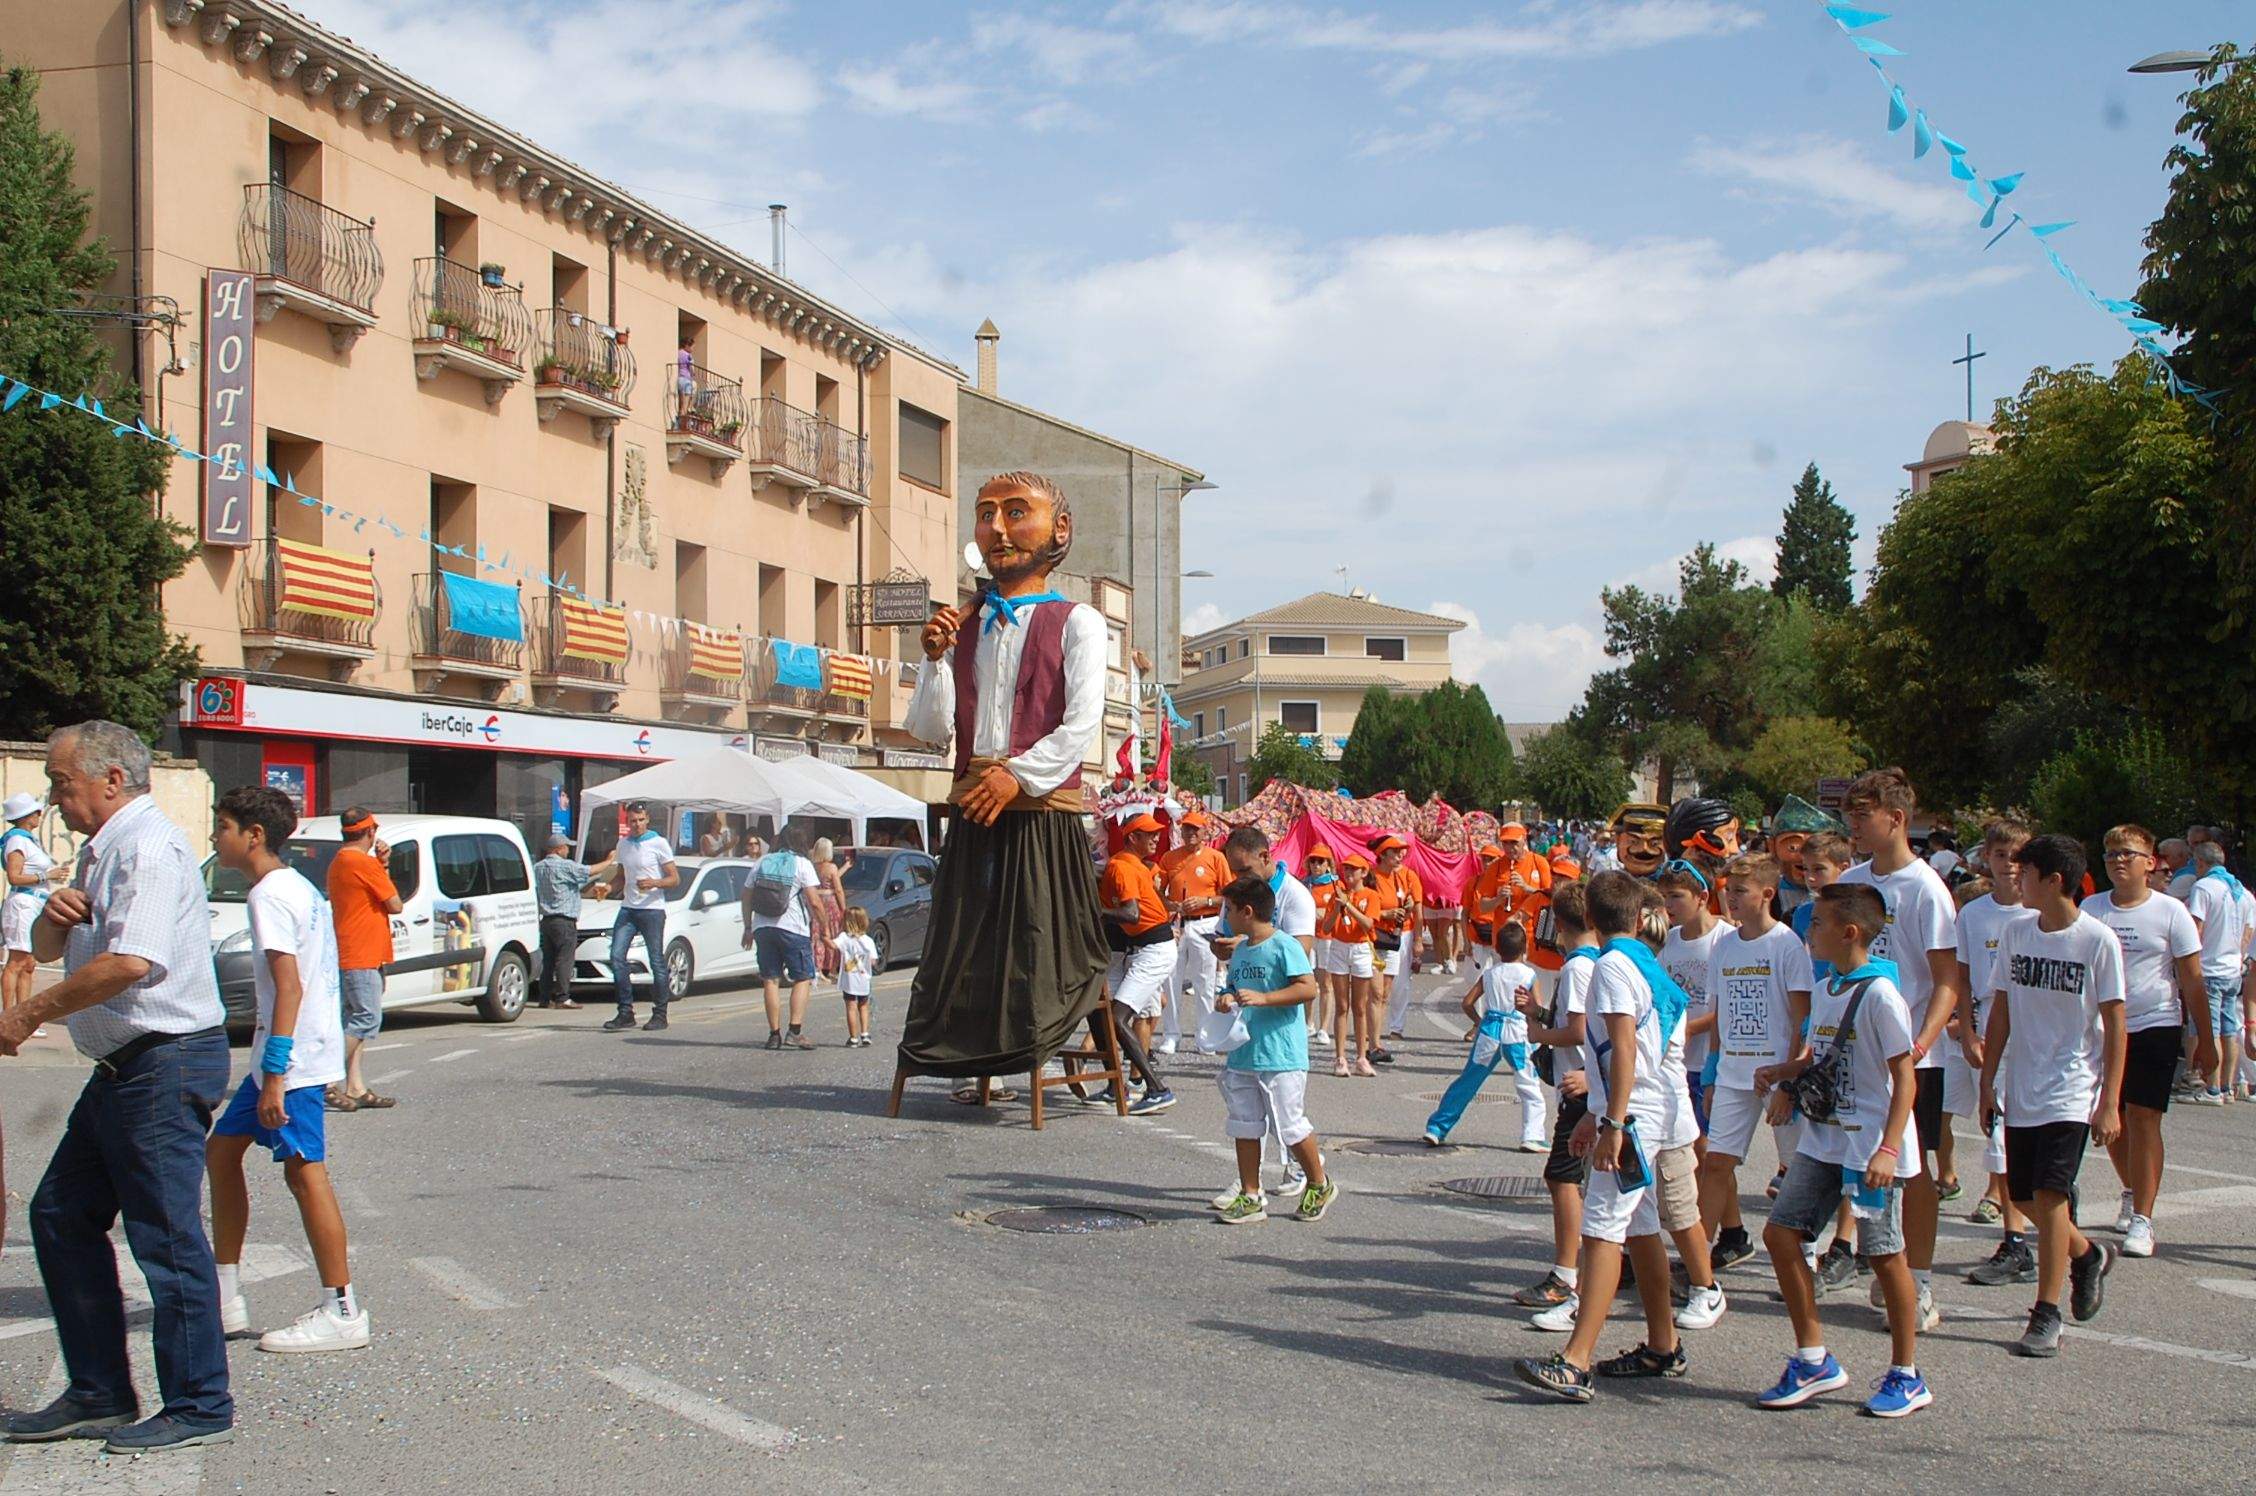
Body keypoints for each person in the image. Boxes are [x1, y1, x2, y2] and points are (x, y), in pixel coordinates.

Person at [0, 721, 232, 1453]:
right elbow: (46, 948)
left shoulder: (148, 849)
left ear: (109, 780)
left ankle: (199, 1404)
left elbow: (133, 962)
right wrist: (54, 916)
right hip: (121, 1068)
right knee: (61, 1215)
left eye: (62, 783)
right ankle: (98, 1391)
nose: (55, 797)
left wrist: (28, 1012)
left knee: (164, 1236)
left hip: (164, 1060)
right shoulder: (100, 853)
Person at [892, 472, 1122, 1109]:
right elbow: (933, 728)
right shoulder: (965, 626)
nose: (996, 529)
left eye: (1016, 513)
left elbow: (1081, 724)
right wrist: (935, 660)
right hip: (975, 805)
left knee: (1042, 941)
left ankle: (1039, 1046)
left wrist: (1017, 774)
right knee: (964, 940)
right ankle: (968, 1056)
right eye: (985, 514)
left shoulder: (1078, 621)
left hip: (1038, 812)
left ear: (1059, 531)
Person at [1516, 871, 1721, 1404]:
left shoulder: (1610, 966)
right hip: (1655, 1108)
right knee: (1644, 1227)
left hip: (1636, 1115)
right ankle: (1662, 1343)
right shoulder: (1649, 963)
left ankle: (1575, 1360)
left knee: (1603, 1228)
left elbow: (1623, 1048)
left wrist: (1612, 1121)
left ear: (1590, 920)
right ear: (1637, 917)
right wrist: (1602, 1110)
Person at [1750, 882, 1931, 1417]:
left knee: (1884, 1256)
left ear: (1850, 932)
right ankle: (1813, 1358)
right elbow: (1821, 1055)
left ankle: (1906, 1373)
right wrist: (1785, 1074)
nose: (1810, 932)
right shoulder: (1829, 988)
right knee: (1781, 1234)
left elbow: (1904, 1077)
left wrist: (1889, 1150)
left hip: (1870, 1147)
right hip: (1825, 1139)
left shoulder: (1879, 995)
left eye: (1819, 924)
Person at [204, 786, 369, 1355]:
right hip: (281, 1058)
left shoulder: (270, 895)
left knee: (305, 1174)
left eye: (222, 826)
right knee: (222, 1152)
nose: (214, 835)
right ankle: (225, 1296)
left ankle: (342, 1309)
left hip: (290, 1063)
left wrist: (275, 1072)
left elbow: (291, 987)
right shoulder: (294, 886)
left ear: (254, 835)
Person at [1978, 833, 2127, 1358]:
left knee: (2049, 1195)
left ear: (2054, 880)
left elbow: (2115, 1023)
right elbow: (2001, 1010)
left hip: (2071, 1087)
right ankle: (2085, 1254)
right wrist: (1987, 1078)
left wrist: (2108, 1100)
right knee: (2020, 1197)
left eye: (2027, 873)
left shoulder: (2096, 940)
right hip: (2022, 1085)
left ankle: (2046, 1313)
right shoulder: (2018, 933)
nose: (2018, 881)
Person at [1835, 767, 1960, 1333]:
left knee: (1917, 1171)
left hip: (1912, 1055)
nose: (1853, 825)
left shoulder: (1925, 888)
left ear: (1898, 819)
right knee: (1865, 1164)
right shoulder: (1855, 881)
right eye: (1850, 816)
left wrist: (1922, 1042)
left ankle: (1922, 1281)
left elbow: (1945, 980)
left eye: (1863, 815)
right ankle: (1886, 1269)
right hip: (1857, 1053)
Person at [2083, 823, 2211, 1258]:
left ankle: (2143, 1218)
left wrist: (2206, 1039)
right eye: (2112, 854)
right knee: (2109, 1117)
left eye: (2128, 854)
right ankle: (2130, 1189)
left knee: (2143, 1117)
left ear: (2150, 862)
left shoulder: (2170, 912)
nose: (2119, 860)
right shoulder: (2093, 908)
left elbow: (2192, 980)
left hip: (2154, 1022)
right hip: (2103, 1028)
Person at [1698, 852, 1813, 1277]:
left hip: (1777, 1076)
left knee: (1798, 1168)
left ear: (1766, 895)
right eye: (1727, 891)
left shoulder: (1787, 946)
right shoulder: (1724, 946)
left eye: (1740, 891)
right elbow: (1719, 1014)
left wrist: (1789, 1080)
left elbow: (1803, 1017)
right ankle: (1697, 1263)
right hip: (1732, 1073)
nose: (1730, 898)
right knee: (1716, 1162)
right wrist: (1711, 1074)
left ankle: (1809, 1251)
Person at [1211, 875, 1337, 1224]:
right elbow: (1235, 986)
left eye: (1230, 909)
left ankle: (1319, 1182)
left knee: (1289, 1126)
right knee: (1245, 1124)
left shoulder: (1285, 945)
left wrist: (1266, 998)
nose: (1226, 915)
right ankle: (1251, 1195)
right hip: (1244, 1053)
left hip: (1281, 1054)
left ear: (1247, 912)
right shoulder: (1241, 950)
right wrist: (1226, 997)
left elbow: (1307, 988)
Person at [1953, 820, 2041, 1286]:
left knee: (2022, 1138)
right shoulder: (1974, 915)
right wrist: (1967, 1032)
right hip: (1991, 1033)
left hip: (2037, 1036)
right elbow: (1963, 980)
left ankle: (2027, 1234)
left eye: (2019, 857)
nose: (2010, 866)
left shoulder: (2041, 912)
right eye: (2002, 855)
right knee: (1999, 1135)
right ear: (1987, 858)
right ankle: (2016, 1238)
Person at [1514, 880, 1597, 1322]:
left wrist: (1541, 1034)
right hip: (1583, 1084)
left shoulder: (1579, 968)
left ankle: (1567, 1274)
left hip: (1581, 1087)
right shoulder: (1582, 966)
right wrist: (1539, 1012)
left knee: (1563, 1179)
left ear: (1558, 924)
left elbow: (1581, 1031)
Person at [1423, 921, 1546, 1150]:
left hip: (1490, 1030)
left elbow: (1468, 1002)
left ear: (1497, 949)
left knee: (1468, 1081)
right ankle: (1532, 1135)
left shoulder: (1490, 974)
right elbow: (1537, 1007)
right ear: (1525, 949)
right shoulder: (1529, 975)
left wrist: (1478, 1022)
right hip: (1516, 1032)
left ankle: (1437, 1128)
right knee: (1528, 1085)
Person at [325, 807, 403, 1111]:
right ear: (370, 832)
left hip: (349, 950)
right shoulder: (362, 863)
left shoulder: (340, 861)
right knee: (367, 1018)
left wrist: (380, 865)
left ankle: (355, 1086)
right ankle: (325, 1080)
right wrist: (382, 867)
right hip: (363, 952)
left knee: (351, 1019)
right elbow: (394, 903)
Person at [601, 802, 677, 1033]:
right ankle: (626, 1012)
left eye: (640, 820)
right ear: (627, 822)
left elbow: (674, 878)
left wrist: (654, 882)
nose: (637, 825)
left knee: (656, 960)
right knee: (616, 957)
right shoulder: (623, 844)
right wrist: (607, 888)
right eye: (632, 821)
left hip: (652, 909)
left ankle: (660, 1013)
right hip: (629, 908)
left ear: (647, 819)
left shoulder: (658, 843)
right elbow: (621, 877)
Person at [2185, 839, 2251, 1103]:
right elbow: (2248, 933)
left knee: (2209, 1029)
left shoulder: (2203, 887)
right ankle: (2227, 1086)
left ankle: (2211, 1088)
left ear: (2201, 862)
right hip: (2233, 968)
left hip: (2209, 968)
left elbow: (2195, 930)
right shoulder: (2242, 891)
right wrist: (2238, 958)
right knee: (2229, 1029)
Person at [747, 824, 823, 1052]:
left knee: (770, 979)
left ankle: (773, 1035)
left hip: (762, 926)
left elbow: (746, 895)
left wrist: (747, 926)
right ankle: (795, 1031)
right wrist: (825, 926)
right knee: (803, 977)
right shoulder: (802, 864)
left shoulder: (762, 861)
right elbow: (814, 901)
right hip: (792, 928)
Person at [1162, 811, 1231, 1056]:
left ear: (1205, 832)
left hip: (1206, 922)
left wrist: (1207, 899)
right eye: (1186, 829)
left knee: (1205, 981)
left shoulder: (1216, 858)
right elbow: (1158, 891)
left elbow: (1229, 895)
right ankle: (1171, 1034)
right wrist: (1170, 905)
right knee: (1171, 979)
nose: (1190, 833)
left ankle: (1204, 1036)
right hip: (1177, 924)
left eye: (1195, 829)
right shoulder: (1169, 858)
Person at [533, 835, 612, 1011]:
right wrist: (610, 860)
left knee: (549, 960)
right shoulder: (564, 865)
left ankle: (544, 998)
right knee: (565, 960)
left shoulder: (537, 867)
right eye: (566, 847)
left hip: (546, 920)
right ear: (558, 849)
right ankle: (563, 998)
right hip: (564, 920)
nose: (568, 850)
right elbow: (590, 871)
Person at [1325, 852, 1385, 1078]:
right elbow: (1328, 927)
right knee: (1341, 1006)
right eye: (1346, 869)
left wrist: (1348, 905)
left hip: (1360, 948)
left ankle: (1361, 1057)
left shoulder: (1370, 895)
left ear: (1364, 872)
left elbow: (1368, 923)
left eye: (1353, 869)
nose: (1348, 873)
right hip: (1339, 947)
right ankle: (1340, 1057)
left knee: (1360, 1006)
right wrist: (1338, 907)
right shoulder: (1337, 895)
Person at [2, 792, 55, 1033]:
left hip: (35, 903)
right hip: (23, 902)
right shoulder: (17, 841)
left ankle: (23, 1017)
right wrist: (47, 876)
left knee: (29, 962)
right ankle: (8, 1016)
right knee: (17, 960)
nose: (39, 815)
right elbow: (14, 876)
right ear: (25, 816)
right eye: (35, 812)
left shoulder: (28, 840)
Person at [1373, 835, 1423, 1043]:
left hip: (1402, 933)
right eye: (1395, 850)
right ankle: (1373, 1028)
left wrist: (1418, 941)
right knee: (1376, 987)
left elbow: (1418, 912)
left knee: (1400, 984)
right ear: (1383, 854)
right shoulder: (1372, 876)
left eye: (1402, 850)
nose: (1401, 854)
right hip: (1377, 934)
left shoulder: (1409, 876)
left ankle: (1396, 1027)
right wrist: (1386, 914)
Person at [1303, 844, 1340, 1050]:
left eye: (1320, 861)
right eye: (1313, 861)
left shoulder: (1335, 885)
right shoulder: (1304, 884)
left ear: (1328, 865)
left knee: (1326, 983)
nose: (1316, 865)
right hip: (1309, 936)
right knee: (1307, 979)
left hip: (1327, 938)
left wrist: (1323, 913)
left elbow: (1341, 909)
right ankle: (1309, 1022)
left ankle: (1324, 1027)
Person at [833, 905, 880, 1047]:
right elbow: (873, 961)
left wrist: (824, 936)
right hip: (864, 980)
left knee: (851, 1007)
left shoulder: (844, 938)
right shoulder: (868, 941)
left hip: (849, 980)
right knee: (864, 1006)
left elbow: (833, 946)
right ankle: (865, 1034)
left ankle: (853, 1038)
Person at [808, 837, 849, 983]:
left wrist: (845, 867)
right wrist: (844, 908)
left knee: (818, 935)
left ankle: (818, 968)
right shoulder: (831, 867)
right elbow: (838, 889)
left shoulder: (812, 866)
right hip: (830, 902)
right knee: (834, 934)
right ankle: (832, 968)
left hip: (817, 901)